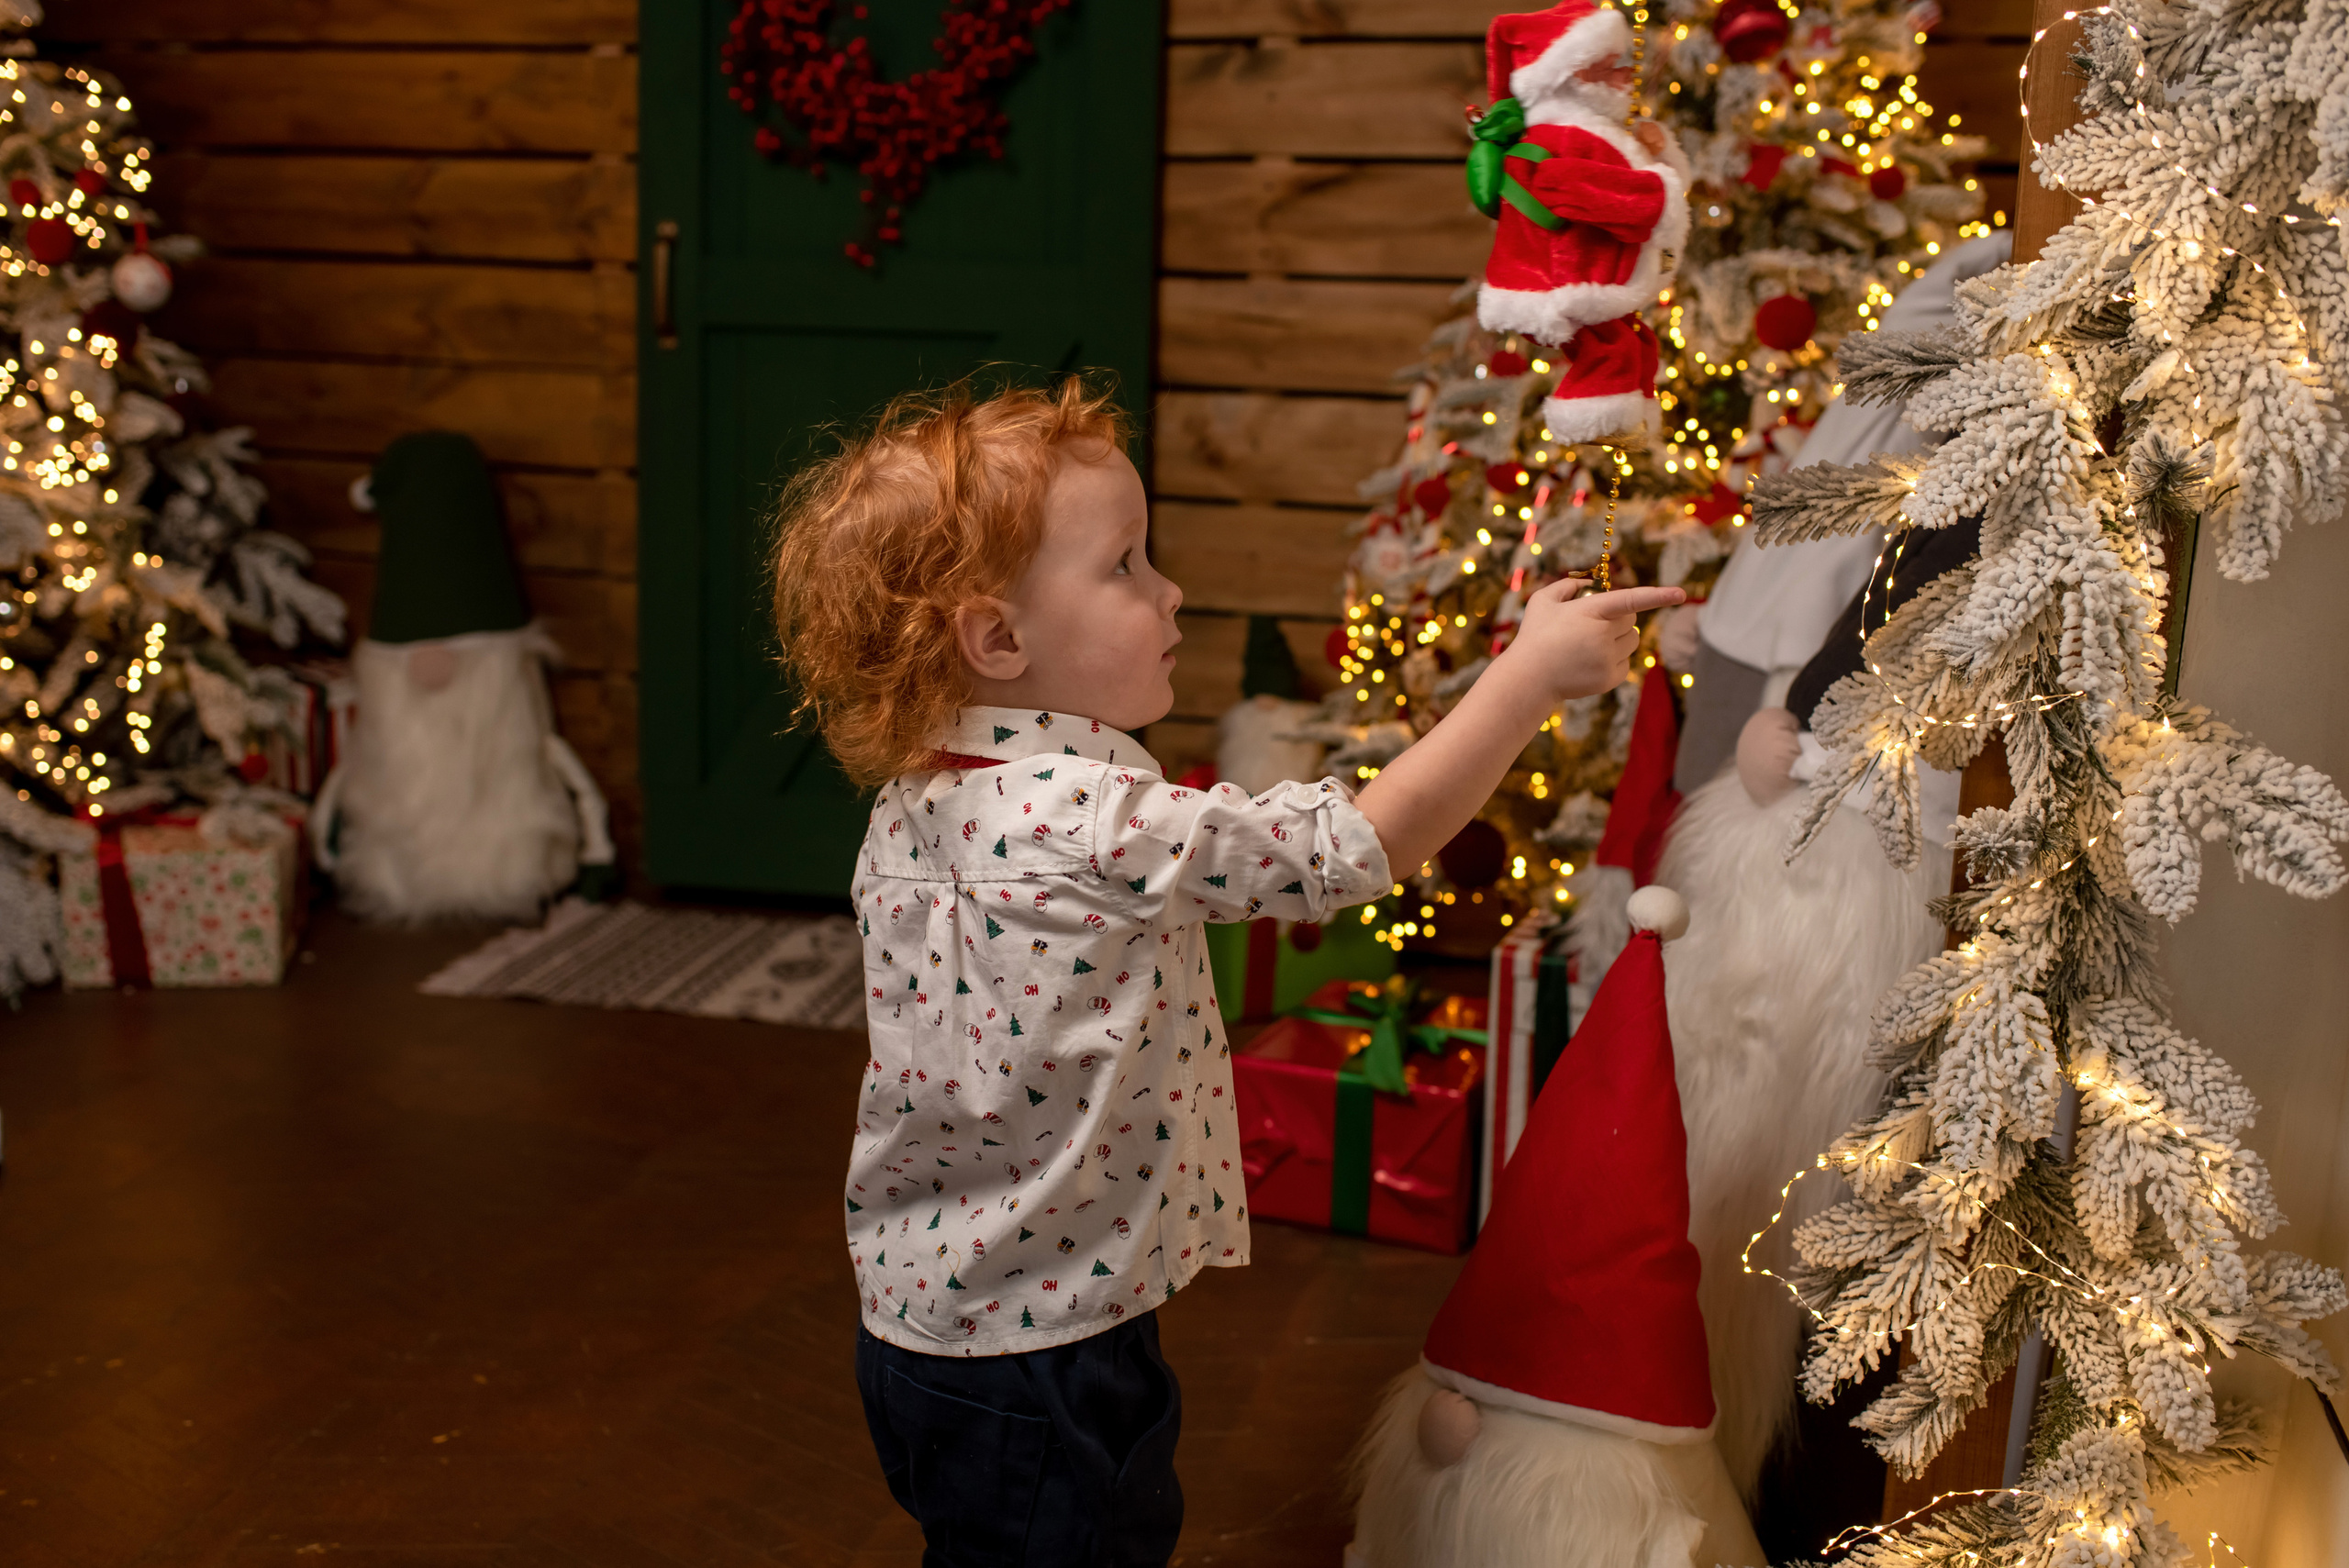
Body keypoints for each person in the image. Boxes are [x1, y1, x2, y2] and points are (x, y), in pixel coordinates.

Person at [772, 376, 1682, 1566]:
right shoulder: (1091, 817)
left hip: (924, 1322)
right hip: (1047, 1351)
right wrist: (1522, 681)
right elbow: (1355, 848)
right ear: (997, 637)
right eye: (1127, 566)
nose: (1171, 591)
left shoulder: (913, 801)